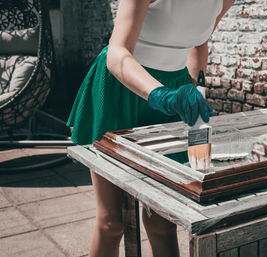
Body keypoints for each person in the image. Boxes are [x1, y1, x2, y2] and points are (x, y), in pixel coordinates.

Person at [67, 0, 234, 256]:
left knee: (162, 222)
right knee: (112, 222)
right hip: (120, 88)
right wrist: (162, 95)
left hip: (175, 89)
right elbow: (117, 52)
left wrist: (196, 94)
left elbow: (199, 42)